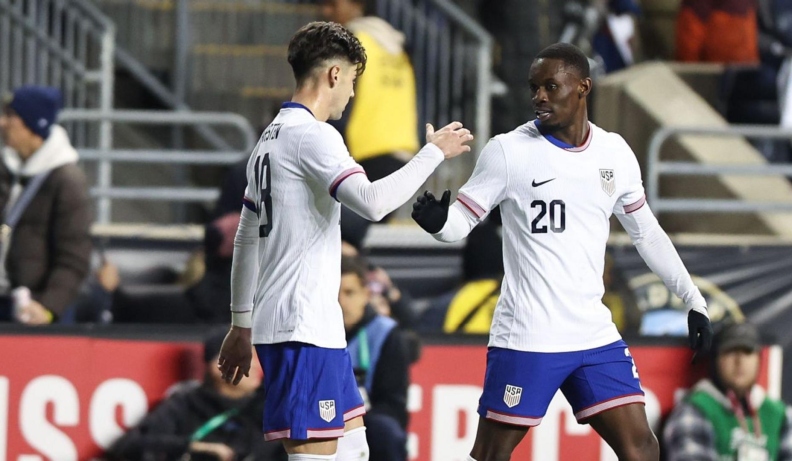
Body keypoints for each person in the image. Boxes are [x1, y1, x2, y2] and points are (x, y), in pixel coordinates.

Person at [410, 42, 713, 461]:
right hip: (529, 334)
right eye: (534, 87)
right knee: (492, 454)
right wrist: (439, 223)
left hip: (593, 332)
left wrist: (693, 300)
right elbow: (460, 222)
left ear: (583, 87)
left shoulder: (615, 153)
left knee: (642, 447)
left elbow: (647, 234)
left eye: (550, 86)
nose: (539, 96)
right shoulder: (508, 151)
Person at [216, 21, 471, 461]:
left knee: (354, 451)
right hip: (301, 328)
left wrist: (241, 324)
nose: (352, 94)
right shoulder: (313, 135)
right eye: (353, 80)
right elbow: (372, 202)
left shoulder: (268, 139)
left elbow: (245, 238)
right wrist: (433, 153)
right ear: (334, 74)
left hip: (313, 328)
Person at [106, 328, 286, 461]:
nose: (256, 365)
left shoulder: (273, 407)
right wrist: (193, 448)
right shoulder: (186, 404)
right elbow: (129, 446)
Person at [0, 86, 92, 324]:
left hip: (33, 309)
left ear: (34, 125)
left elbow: (74, 257)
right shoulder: (9, 170)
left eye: (11, 116)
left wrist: (48, 307)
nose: (2, 122)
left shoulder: (66, 181)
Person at [662, 321, 792, 461]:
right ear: (715, 359)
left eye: (747, 352)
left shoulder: (779, 414)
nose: (739, 361)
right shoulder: (694, 410)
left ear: (759, 359)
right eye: (730, 352)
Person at [321, 0, 420, 181]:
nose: (326, 11)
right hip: (403, 151)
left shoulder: (349, 43)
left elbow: (336, 100)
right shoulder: (395, 44)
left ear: (357, 5)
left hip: (365, 151)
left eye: (333, 4)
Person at [340, 255, 410, 460]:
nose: (341, 302)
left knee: (385, 430)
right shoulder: (309, 333)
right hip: (315, 419)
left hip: (367, 422)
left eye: (349, 293)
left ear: (366, 294)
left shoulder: (386, 333)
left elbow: (393, 405)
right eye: (333, 293)